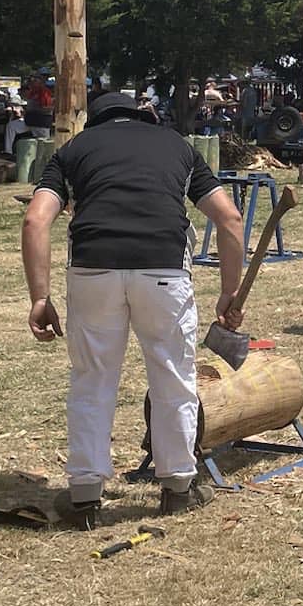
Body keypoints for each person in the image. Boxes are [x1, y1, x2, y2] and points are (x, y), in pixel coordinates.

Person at [21, 91, 247, 527]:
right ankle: (178, 487)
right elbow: (230, 218)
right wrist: (228, 290)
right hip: (163, 271)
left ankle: (85, 496)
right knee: (173, 377)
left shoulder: (73, 150)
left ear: (97, 121)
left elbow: (35, 220)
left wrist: (39, 296)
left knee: (92, 380)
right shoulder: (177, 146)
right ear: (142, 116)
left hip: (93, 271)